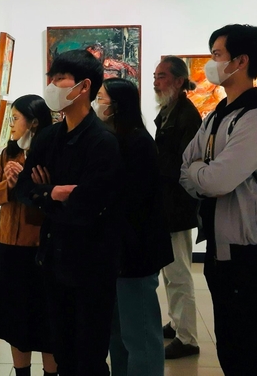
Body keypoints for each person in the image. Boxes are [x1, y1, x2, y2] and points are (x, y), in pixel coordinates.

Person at [180, 24, 257, 376]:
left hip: (251, 253)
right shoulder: (216, 115)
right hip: (220, 249)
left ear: (241, 61)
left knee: (255, 350)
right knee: (230, 344)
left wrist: (201, 172)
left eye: (217, 55)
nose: (211, 63)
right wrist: (202, 174)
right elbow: (185, 168)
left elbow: (218, 180)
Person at [15, 49, 123, 376]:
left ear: (84, 86)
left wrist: (45, 195)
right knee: (62, 352)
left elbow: (86, 207)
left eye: (60, 78)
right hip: (53, 258)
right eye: (51, 78)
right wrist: (54, 193)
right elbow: (23, 188)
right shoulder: (50, 136)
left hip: (92, 264)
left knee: (88, 356)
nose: (51, 85)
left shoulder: (103, 141)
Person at [96, 78, 173, 376]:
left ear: (117, 105)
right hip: (117, 252)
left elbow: (134, 200)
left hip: (136, 251)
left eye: (101, 98)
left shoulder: (138, 142)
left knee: (140, 332)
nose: (97, 103)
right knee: (118, 333)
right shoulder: (115, 138)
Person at [0, 94, 57, 376]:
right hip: (8, 247)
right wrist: (9, 184)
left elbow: (55, 201)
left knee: (47, 323)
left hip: (39, 248)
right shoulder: (7, 155)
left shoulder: (51, 154)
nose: (10, 124)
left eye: (15, 119)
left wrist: (28, 182)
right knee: (15, 323)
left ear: (34, 122)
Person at [152, 56, 202, 359]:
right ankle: (176, 322)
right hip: (168, 203)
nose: (156, 82)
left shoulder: (186, 116)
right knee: (170, 272)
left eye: (162, 76)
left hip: (177, 206)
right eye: (155, 76)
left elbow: (182, 163)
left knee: (179, 272)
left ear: (179, 80)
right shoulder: (169, 111)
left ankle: (188, 337)